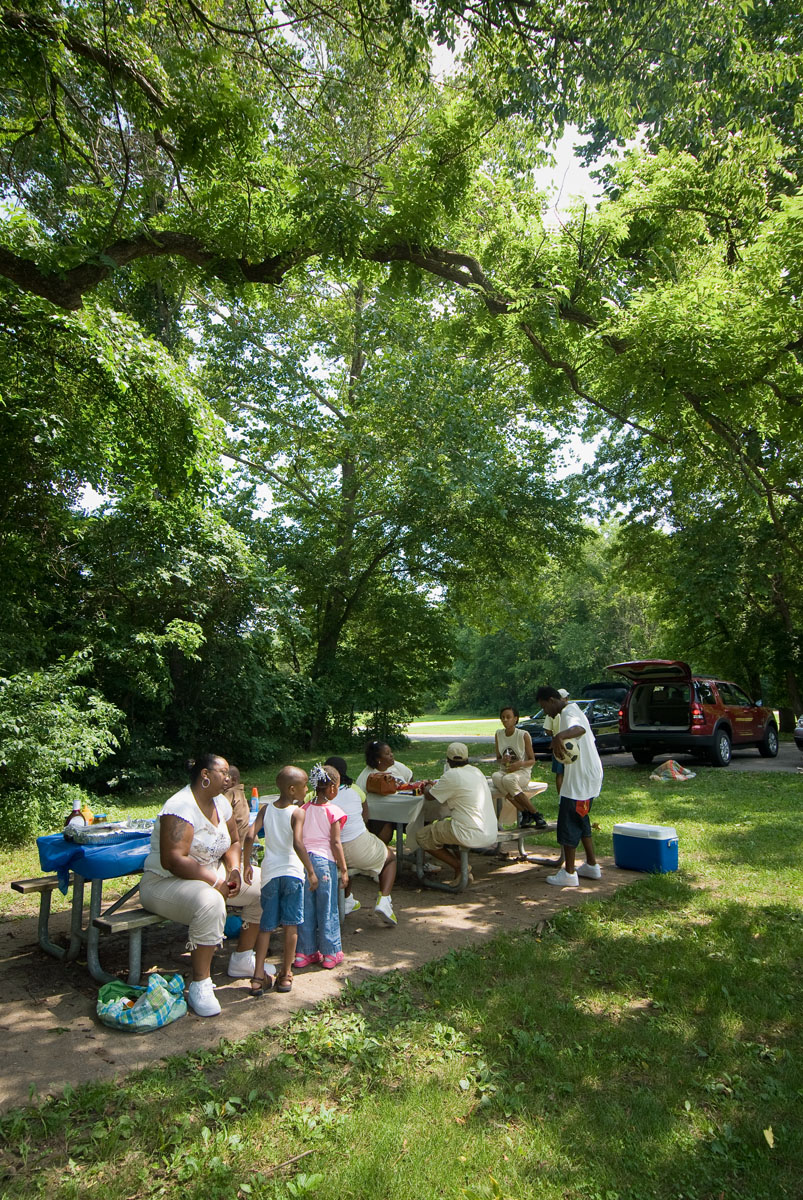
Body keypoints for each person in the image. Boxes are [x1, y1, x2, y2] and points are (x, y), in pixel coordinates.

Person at [139, 754, 275, 1017]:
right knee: (210, 901)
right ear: (205, 775)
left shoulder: (221, 804)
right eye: (223, 773)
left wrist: (234, 870)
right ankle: (200, 983)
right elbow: (173, 860)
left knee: (264, 884)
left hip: (212, 874)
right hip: (164, 883)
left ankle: (242, 959)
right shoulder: (180, 807)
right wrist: (217, 882)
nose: (229, 778)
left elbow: (234, 842)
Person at [243, 766, 318, 995]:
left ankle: (257, 978)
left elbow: (249, 835)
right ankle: (285, 975)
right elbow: (297, 843)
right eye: (305, 786)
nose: (307, 789)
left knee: (265, 927)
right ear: (292, 789)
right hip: (293, 874)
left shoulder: (266, 810)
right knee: (291, 925)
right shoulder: (298, 812)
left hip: (270, 875)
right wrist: (311, 871)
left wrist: (246, 864)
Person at [534, 687, 603, 887]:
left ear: (552, 699)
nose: (545, 711)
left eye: (544, 706)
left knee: (569, 823)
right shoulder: (572, 710)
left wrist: (559, 737)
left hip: (579, 781)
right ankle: (591, 865)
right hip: (588, 776)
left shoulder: (569, 712)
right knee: (581, 819)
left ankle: (569, 872)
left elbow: (579, 729)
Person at [324, 755, 397, 926]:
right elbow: (365, 818)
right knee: (390, 858)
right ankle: (384, 900)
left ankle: (348, 900)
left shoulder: (314, 795)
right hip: (357, 846)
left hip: (327, 852)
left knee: (346, 862)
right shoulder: (355, 790)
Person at [416, 742, 498, 887]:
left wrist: (428, 786)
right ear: (467, 758)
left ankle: (460, 867)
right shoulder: (476, 772)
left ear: (448, 759)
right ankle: (461, 870)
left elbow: (429, 796)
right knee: (450, 824)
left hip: (468, 832)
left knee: (423, 835)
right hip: (490, 831)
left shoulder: (452, 775)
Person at [294, 763, 349, 969]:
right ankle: (330, 952)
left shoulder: (303, 809)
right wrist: (343, 868)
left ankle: (304, 952)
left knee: (306, 908)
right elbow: (335, 843)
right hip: (325, 863)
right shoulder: (334, 811)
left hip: (305, 863)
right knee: (327, 908)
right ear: (333, 788)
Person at [491, 706, 546, 829]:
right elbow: (498, 759)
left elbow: (532, 760)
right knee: (496, 777)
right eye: (503, 718)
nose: (505, 720)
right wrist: (503, 761)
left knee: (508, 780)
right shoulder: (498, 734)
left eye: (508, 717)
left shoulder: (523, 735)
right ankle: (524, 812)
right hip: (505, 771)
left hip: (522, 772)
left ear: (515, 719)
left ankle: (536, 814)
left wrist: (520, 764)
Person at [354, 741, 414, 844]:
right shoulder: (367, 776)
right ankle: (380, 853)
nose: (391, 755)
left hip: (404, 809)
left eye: (391, 752)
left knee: (422, 819)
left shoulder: (396, 766)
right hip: (381, 815)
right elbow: (359, 800)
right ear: (378, 759)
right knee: (385, 826)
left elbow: (410, 776)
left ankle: (418, 853)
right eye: (387, 754)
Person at [222, 764, 251, 846]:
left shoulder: (231, 793)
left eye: (225, 780)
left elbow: (220, 810)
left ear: (233, 780)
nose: (222, 782)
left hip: (238, 838)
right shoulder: (240, 792)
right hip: (246, 836)